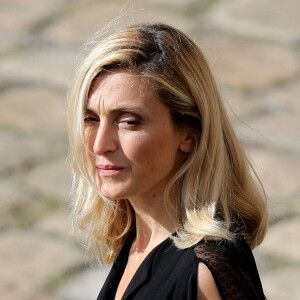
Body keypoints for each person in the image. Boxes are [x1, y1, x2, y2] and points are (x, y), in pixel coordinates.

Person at [66, 23, 268, 299]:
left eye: (128, 122)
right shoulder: (138, 239)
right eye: (91, 119)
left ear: (189, 132)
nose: (100, 144)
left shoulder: (205, 273)